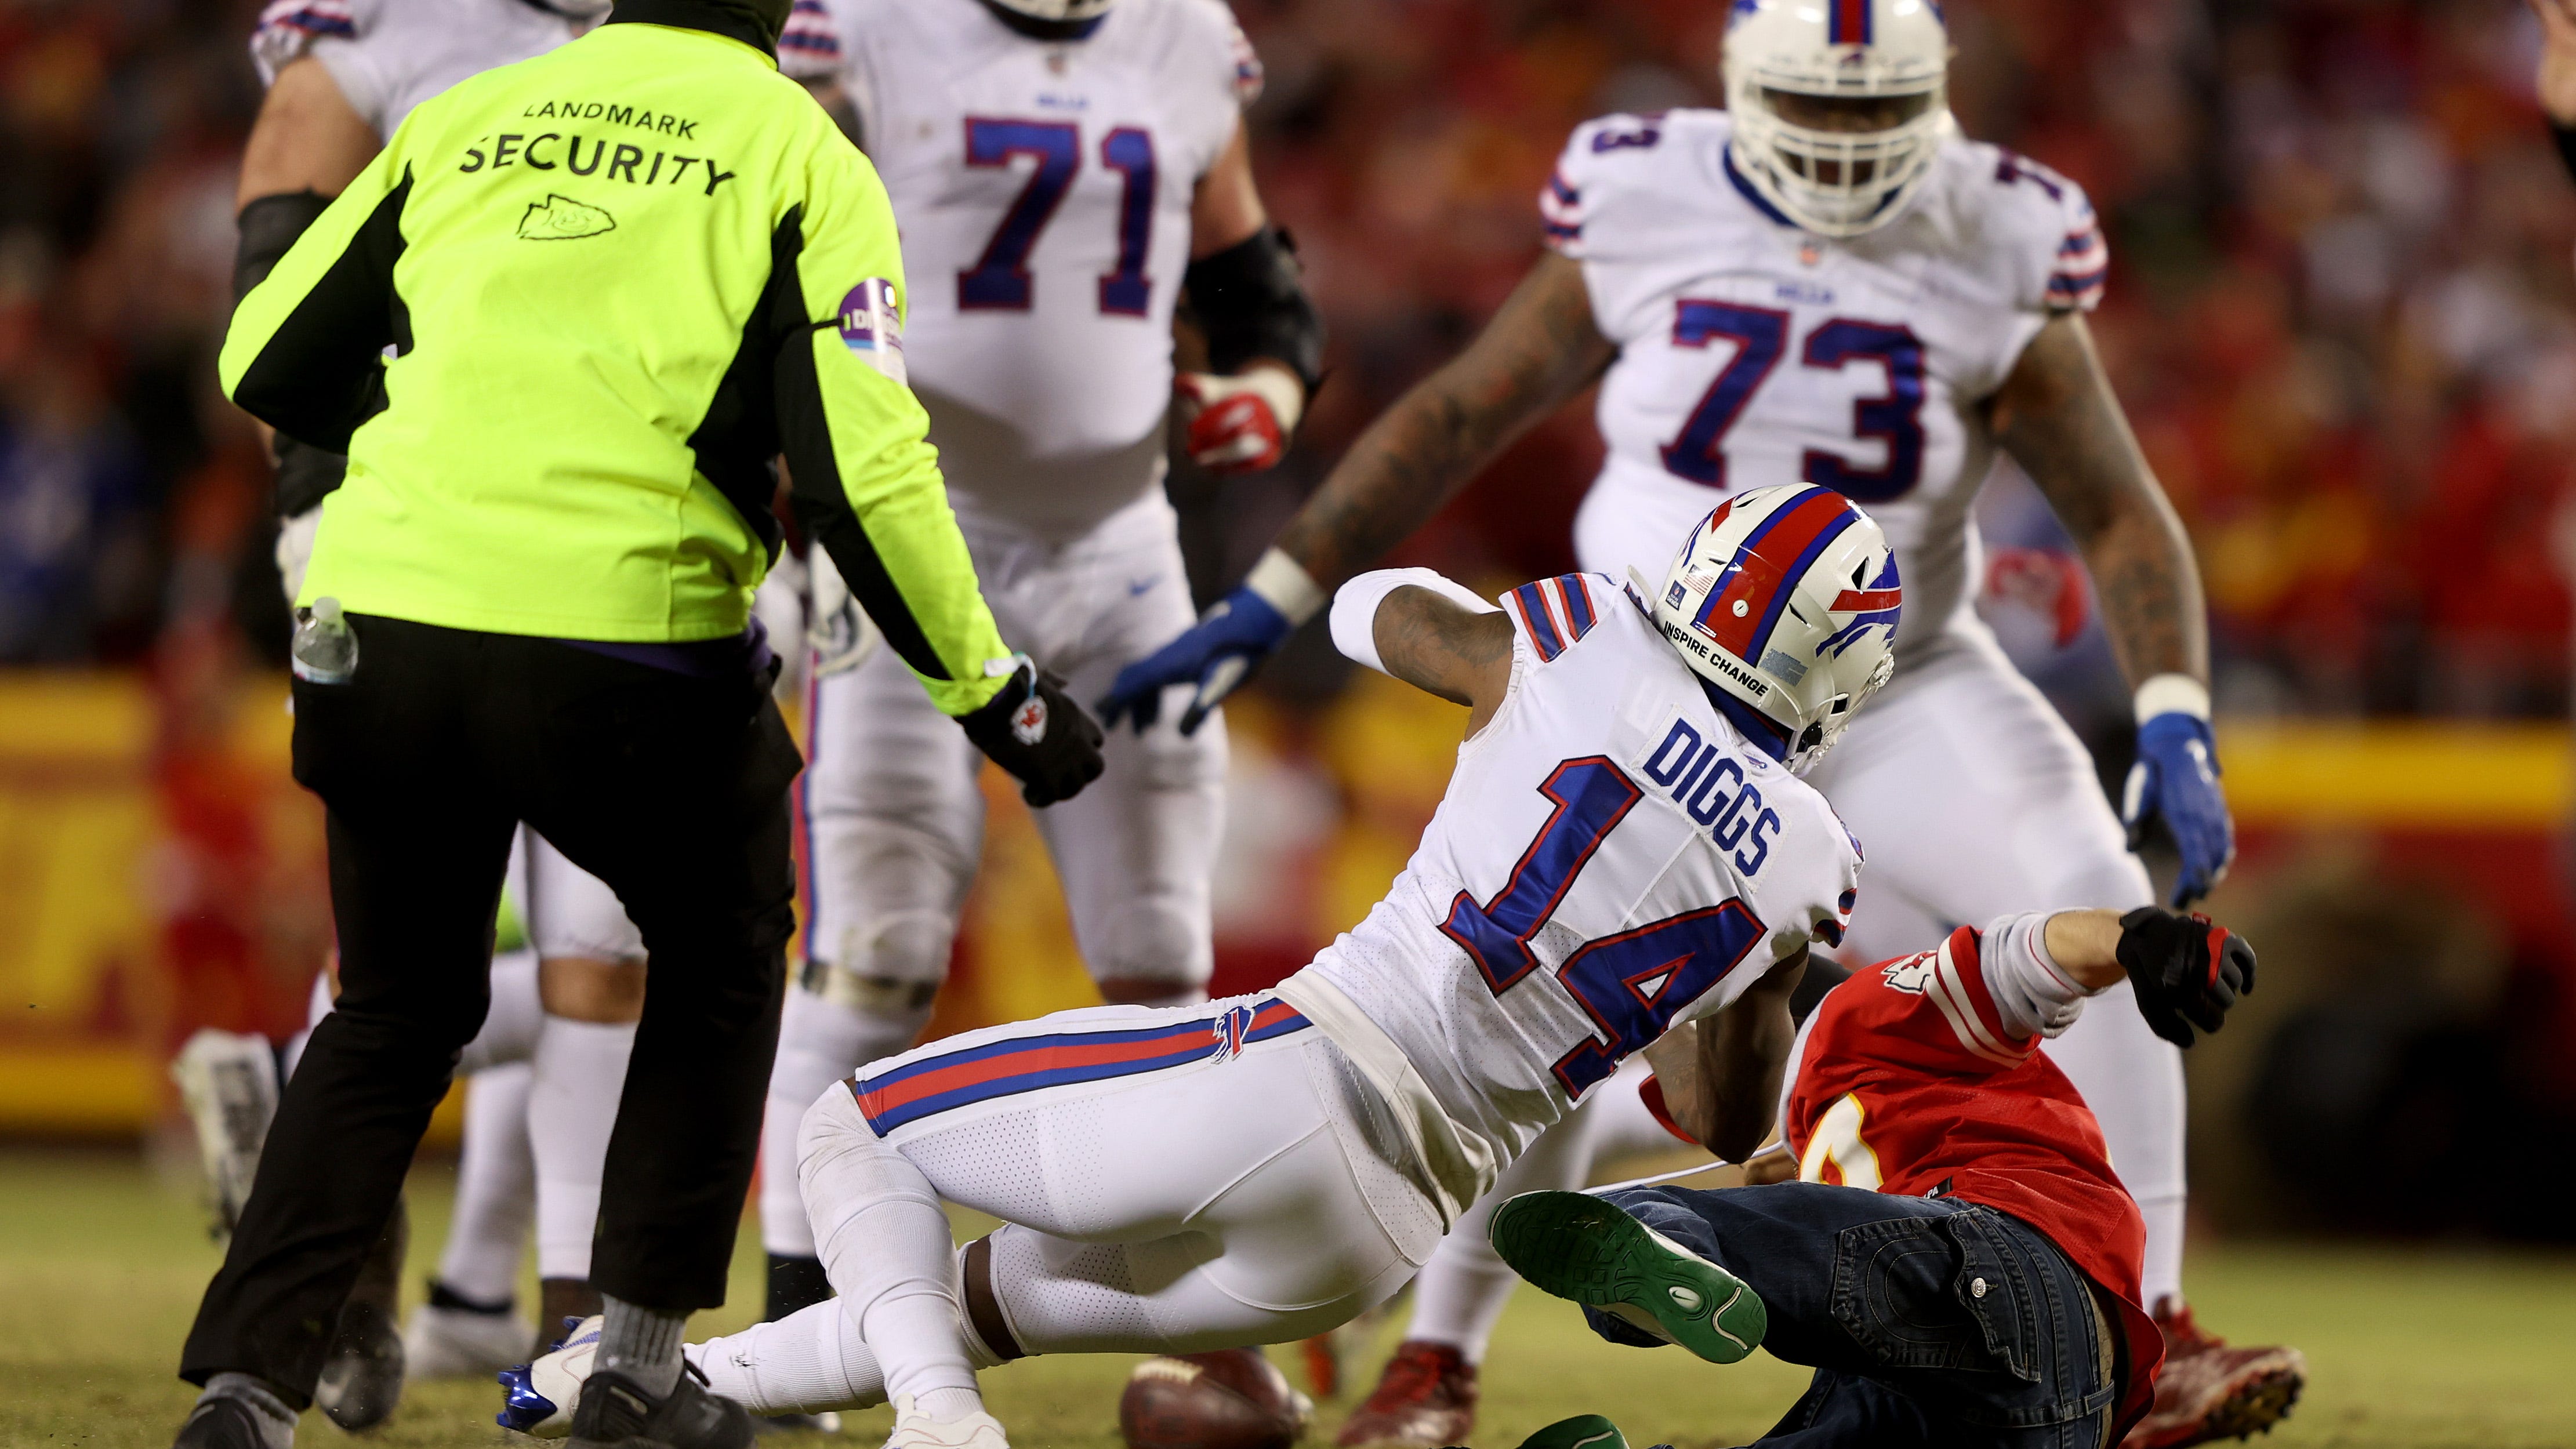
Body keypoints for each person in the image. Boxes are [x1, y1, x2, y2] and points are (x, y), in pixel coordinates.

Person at [1098, 2, 2296, 1441]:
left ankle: (2150, 1333)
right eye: (1816, 105)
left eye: (1875, 110)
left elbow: (2114, 500)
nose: (1846, 140)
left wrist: (2174, 712)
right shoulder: (1647, 190)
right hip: (1654, 668)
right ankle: (1436, 1353)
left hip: (1902, 675)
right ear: (1743, 85)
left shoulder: (1997, 227)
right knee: (1537, 980)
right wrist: (1280, 587)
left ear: (1932, 98)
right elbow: (1461, 409)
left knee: (2099, 889)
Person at [501, 483, 1896, 1449]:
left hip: (1303, 1075)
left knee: (851, 1123)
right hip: (1384, 1236)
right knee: (974, 1299)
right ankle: (651, 1375)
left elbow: (1369, 612)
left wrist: (1457, 636)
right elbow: (1722, 1110)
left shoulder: (1580, 633)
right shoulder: (1809, 861)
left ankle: (935, 1422)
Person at [174, 0, 1106, 1443]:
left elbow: (265, 357)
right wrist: (997, 694)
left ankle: (247, 1390)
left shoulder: (472, 113)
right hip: (625, 644)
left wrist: (467, 429)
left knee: (395, 1004)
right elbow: (865, 473)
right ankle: (639, 1362)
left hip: (385, 622)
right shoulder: (800, 148)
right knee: (726, 953)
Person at [752, 0, 1322, 1345]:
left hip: (1122, 542)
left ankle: (1192, 1313)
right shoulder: (872, 27)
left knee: (1160, 959)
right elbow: (767, 264)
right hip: (914, 531)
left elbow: (1252, 274)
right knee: (873, 951)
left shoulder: (1182, 36)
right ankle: (800, 1302)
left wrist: (1269, 389)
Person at [1490, 904, 2274, 1448]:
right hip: (2067, 1410)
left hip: (2008, 1273)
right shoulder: (1819, 1129)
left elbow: (2020, 955)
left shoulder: (1853, 1011)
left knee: (1647, 1218)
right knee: (1833, 1403)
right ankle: (1673, 1248)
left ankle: (1671, 1241)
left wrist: (2136, 934)